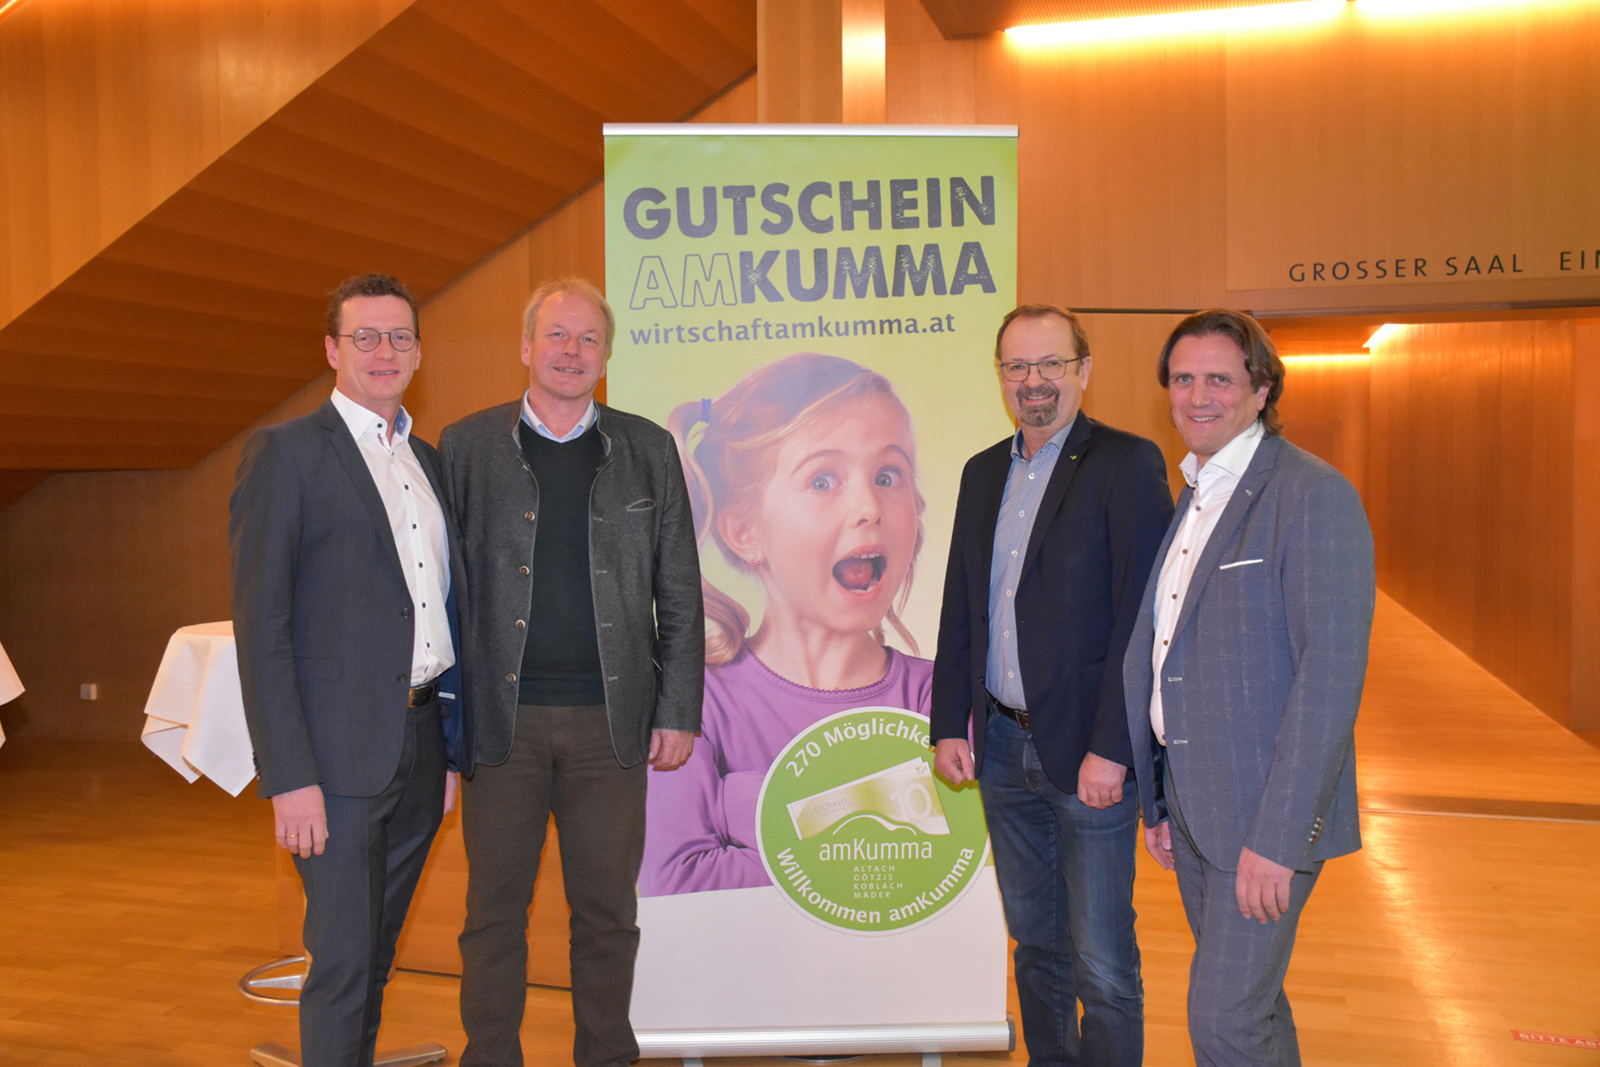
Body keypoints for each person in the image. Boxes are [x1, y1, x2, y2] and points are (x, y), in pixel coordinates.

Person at [438, 277, 703, 1067]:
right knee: (493, 915)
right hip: (501, 728)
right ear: (525, 346)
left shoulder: (648, 449)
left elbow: (680, 591)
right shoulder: (465, 446)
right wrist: (441, 721)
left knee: (606, 917)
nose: (571, 351)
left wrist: (678, 707)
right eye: (556, 334)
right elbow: (439, 590)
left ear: (607, 355)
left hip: (610, 728)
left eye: (588, 338)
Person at [1122, 309, 1375, 1067]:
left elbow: (1328, 678)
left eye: (1220, 379)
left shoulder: (1311, 494)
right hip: (1196, 809)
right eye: (1183, 378)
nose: (1198, 395)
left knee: (1223, 1020)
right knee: (1252, 1008)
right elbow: (1171, 652)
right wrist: (1160, 800)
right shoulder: (1198, 492)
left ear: (1262, 390)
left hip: (1262, 816)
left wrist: (1277, 839)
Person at [230, 272, 467, 1067]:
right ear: (333, 350)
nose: (383, 350)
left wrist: (448, 749)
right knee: (340, 964)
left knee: (375, 955)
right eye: (365, 335)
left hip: (421, 743)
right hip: (332, 762)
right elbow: (262, 629)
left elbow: (439, 609)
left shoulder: (428, 463)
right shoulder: (286, 454)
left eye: (399, 336)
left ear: (419, 353)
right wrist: (289, 775)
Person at [930, 304, 1173, 1067]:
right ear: (1001, 375)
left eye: (1050, 364)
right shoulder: (981, 473)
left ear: (1083, 370)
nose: (1033, 381)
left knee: (1102, 960)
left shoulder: (1127, 464)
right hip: (1002, 746)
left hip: (1090, 754)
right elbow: (962, 605)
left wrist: (1116, 748)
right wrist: (949, 721)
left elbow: (1144, 617)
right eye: (1017, 366)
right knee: (1036, 944)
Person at [639, 354, 931, 896]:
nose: (869, 506)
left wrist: (742, 803)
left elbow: (949, 869)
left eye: (888, 476)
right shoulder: (694, 699)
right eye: (823, 480)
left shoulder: (941, 696)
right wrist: (875, 839)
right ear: (744, 531)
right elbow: (675, 880)